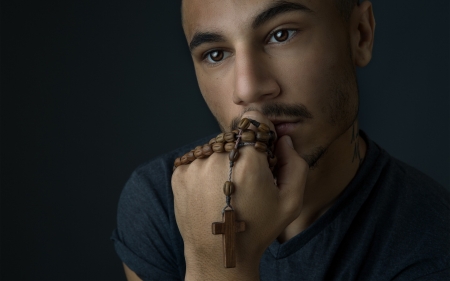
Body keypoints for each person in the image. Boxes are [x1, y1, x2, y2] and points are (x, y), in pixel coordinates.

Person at [111, 0, 450, 280]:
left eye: (281, 35)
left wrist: (222, 267)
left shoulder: (431, 245)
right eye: (216, 54)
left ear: (360, 34)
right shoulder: (159, 199)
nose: (247, 88)